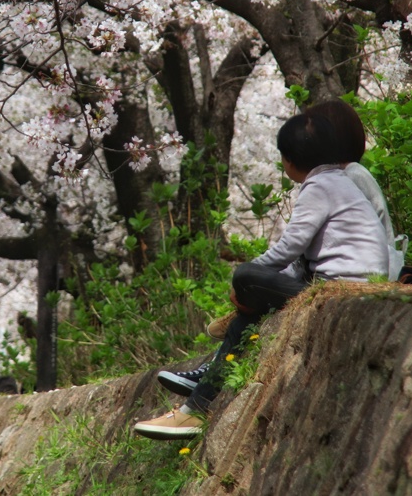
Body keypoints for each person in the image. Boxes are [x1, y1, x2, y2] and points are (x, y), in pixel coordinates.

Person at [135, 112, 390, 439]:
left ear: (290, 160)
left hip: (341, 290)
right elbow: (298, 258)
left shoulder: (320, 186)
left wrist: (247, 281)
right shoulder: (338, 183)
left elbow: (288, 248)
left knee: (245, 276)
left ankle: (193, 409)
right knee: (251, 299)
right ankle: (194, 409)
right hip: (349, 286)